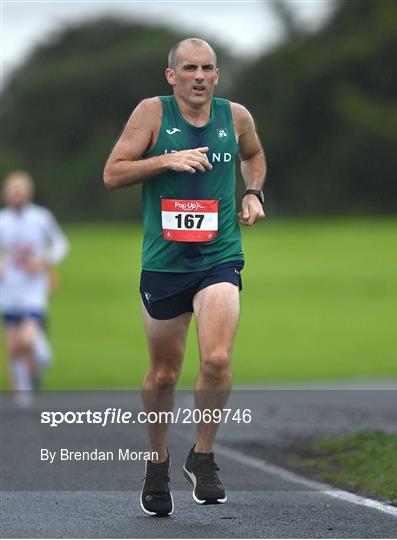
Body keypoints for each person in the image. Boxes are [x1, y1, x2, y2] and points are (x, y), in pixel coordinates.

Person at [103, 37, 266, 516]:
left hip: (219, 256)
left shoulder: (235, 116)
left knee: (216, 358)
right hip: (165, 263)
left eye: (208, 68)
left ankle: (204, 454)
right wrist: (166, 160)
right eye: (189, 68)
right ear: (171, 76)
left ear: (217, 75)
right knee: (164, 374)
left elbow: (253, 155)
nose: (199, 76)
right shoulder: (152, 114)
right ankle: (157, 461)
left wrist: (254, 192)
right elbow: (113, 173)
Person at [0, 171, 69, 406]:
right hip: (8, 289)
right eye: (12, 190)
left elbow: (61, 244)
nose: (16, 195)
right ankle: (23, 393)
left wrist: (44, 261)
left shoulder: (41, 217)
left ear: (28, 193)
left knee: (27, 338)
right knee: (12, 344)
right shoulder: (3, 220)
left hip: (33, 289)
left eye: (20, 190)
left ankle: (41, 358)